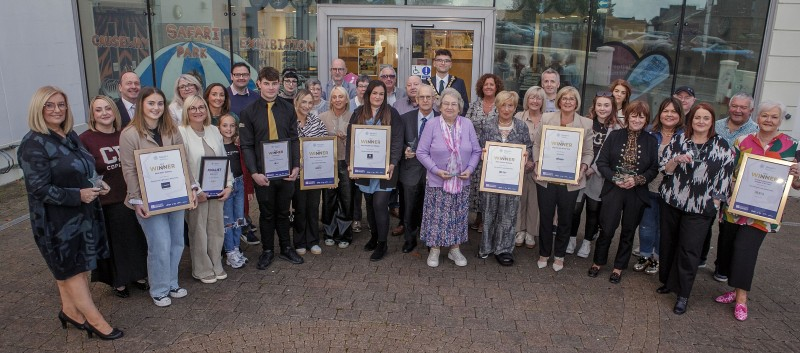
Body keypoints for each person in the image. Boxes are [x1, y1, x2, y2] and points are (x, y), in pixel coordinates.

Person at [18, 86, 122, 340]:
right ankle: (96, 322)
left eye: (61, 104)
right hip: (56, 221)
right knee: (72, 270)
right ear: (38, 109)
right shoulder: (32, 144)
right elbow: (39, 188)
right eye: (50, 105)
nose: (57, 110)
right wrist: (77, 195)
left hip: (83, 216)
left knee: (74, 268)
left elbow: (85, 169)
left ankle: (70, 312)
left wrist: (97, 182)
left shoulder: (69, 135)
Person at [715, 100, 799, 321]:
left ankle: (742, 299)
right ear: (757, 117)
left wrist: (798, 175)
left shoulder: (792, 146)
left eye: (773, 117)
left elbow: (797, 185)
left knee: (745, 249)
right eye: (764, 116)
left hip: (763, 212)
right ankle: (734, 290)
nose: (768, 120)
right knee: (731, 248)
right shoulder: (743, 141)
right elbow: (729, 171)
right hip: (736, 206)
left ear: (780, 120)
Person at [119, 86, 197, 307]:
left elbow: (183, 162)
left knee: (176, 242)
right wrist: (137, 200)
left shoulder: (171, 130)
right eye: (151, 103)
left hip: (175, 195)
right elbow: (129, 170)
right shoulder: (129, 134)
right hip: (148, 200)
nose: (156, 108)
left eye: (160, 103)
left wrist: (191, 186)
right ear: (141, 105)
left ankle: (172, 283)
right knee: (160, 244)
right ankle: (159, 289)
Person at [658, 103, 734, 315]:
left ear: (712, 122)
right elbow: (665, 169)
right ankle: (668, 282)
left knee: (689, 250)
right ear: (691, 120)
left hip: (700, 209)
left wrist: (716, 203)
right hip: (672, 202)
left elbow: (725, 179)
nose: (701, 121)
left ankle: (683, 294)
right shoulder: (680, 139)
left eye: (706, 118)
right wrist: (675, 159)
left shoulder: (723, 146)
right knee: (668, 244)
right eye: (697, 117)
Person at [79, 96, 148, 299]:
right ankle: (119, 281)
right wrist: (95, 185)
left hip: (131, 196)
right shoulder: (85, 139)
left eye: (108, 108)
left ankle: (138, 275)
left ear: (114, 111)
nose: (104, 113)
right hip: (107, 202)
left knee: (135, 240)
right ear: (92, 114)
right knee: (115, 244)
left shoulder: (125, 134)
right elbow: (83, 171)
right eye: (98, 110)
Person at [240, 67, 304, 270]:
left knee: (284, 212)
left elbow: (294, 139)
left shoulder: (287, 109)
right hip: (262, 174)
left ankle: (286, 247)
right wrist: (254, 173)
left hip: (286, 173)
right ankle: (268, 250)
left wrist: (295, 166)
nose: (270, 87)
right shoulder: (248, 112)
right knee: (267, 213)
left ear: (279, 84)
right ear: (258, 83)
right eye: (266, 83)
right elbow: (247, 146)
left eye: (274, 83)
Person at [588, 101, 659, 283]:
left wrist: (636, 179)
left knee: (628, 232)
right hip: (614, 189)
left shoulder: (651, 141)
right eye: (633, 115)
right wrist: (616, 178)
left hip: (636, 192)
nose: (637, 119)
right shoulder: (614, 136)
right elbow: (601, 162)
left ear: (646, 120)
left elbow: (653, 169)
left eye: (641, 116)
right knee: (607, 228)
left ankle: (619, 267)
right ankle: (598, 262)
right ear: (627, 117)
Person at [416, 87, 482, 267]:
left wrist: (470, 168)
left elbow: (477, 151)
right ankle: (435, 250)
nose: (450, 107)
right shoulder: (432, 124)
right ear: (440, 106)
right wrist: (436, 170)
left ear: (460, 107)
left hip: (461, 181)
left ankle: (454, 249)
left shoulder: (467, 124)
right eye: (446, 103)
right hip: (438, 181)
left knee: (458, 216)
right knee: (436, 217)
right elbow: (421, 152)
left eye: (454, 104)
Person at [532, 86, 593, 271]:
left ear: (577, 102)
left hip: (570, 181)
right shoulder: (547, 118)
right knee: (546, 217)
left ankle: (559, 255)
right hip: (546, 178)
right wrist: (536, 164)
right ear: (559, 100)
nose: (568, 101)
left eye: (571, 99)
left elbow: (589, 152)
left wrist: (582, 169)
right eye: (564, 98)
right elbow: (536, 144)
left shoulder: (586, 123)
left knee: (566, 219)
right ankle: (544, 253)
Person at [345, 80, 404, 261]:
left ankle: (382, 244)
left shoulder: (392, 113)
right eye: (374, 93)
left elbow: (397, 140)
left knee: (380, 204)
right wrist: (350, 163)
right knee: (369, 205)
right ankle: (374, 237)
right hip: (364, 169)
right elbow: (350, 141)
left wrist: (393, 162)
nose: (378, 97)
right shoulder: (357, 113)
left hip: (385, 170)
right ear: (368, 95)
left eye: (381, 94)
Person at [178, 95, 233, 284]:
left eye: (201, 107)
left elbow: (224, 159)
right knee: (198, 231)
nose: (198, 111)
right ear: (186, 111)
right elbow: (183, 164)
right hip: (196, 193)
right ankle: (201, 268)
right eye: (192, 108)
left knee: (216, 229)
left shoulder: (213, 131)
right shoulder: (181, 132)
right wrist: (195, 189)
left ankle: (216, 263)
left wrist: (229, 185)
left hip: (217, 191)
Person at [479, 91, 532, 266]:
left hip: (511, 179)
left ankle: (504, 250)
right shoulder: (488, 125)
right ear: (497, 106)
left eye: (510, 105)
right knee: (489, 212)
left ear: (515, 108)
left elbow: (528, 147)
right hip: (491, 178)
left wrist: (526, 156)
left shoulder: (522, 126)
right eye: (503, 105)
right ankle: (486, 247)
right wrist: (483, 155)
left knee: (508, 214)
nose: (507, 109)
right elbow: (480, 147)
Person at [708, 92, 758, 279]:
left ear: (751, 110)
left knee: (728, 230)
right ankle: (700, 257)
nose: (737, 110)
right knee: (704, 222)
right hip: (710, 185)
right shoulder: (716, 125)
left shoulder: (756, 132)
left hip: (736, 188)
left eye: (743, 107)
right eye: (734, 106)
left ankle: (722, 267)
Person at [633, 97, 684, 275]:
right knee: (646, 224)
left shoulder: (685, 136)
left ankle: (657, 257)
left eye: (673, 112)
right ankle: (645, 254)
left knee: (664, 227)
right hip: (648, 187)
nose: (669, 115)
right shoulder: (649, 132)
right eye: (665, 111)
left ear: (680, 115)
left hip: (671, 191)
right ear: (660, 113)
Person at [568, 91, 620, 258]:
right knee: (575, 209)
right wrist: (583, 167)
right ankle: (571, 239)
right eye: (599, 105)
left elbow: (613, 154)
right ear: (594, 105)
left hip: (599, 176)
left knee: (593, 210)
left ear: (613, 107)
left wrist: (594, 168)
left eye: (606, 105)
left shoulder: (617, 129)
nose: (602, 108)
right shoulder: (586, 122)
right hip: (580, 172)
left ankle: (587, 242)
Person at [207, 82, 258, 245]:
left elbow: (243, 161)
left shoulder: (232, 118)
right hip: (214, 178)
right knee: (221, 216)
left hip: (237, 180)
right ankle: (225, 247)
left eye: (221, 94)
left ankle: (233, 245)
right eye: (214, 94)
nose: (218, 98)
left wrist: (249, 187)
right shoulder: (203, 118)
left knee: (237, 214)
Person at [397, 85, 438, 254]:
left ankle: (430, 240)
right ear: (416, 99)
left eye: (428, 97)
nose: (425, 100)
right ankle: (410, 239)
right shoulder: (405, 118)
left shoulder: (442, 119)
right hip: (410, 170)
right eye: (422, 97)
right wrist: (403, 150)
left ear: (434, 100)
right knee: (409, 207)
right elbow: (397, 142)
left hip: (434, 172)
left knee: (431, 207)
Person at [292, 89, 328, 255]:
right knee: (300, 208)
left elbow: (325, 144)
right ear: (296, 102)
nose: (306, 106)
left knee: (313, 207)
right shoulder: (288, 122)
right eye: (303, 102)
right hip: (297, 174)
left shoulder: (317, 121)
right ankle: (299, 241)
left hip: (315, 173)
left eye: (309, 102)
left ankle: (313, 241)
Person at [466, 73, 502, 233]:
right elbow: (466, 125)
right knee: (475, 186)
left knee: (489, 186)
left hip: (494, 153)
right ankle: (477, 217)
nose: (488, 87)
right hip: (475, 152)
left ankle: (486, 220)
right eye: (486, 84)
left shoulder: (502, 105)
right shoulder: (474, 106)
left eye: (491, 84)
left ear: (497, 87)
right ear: (481, 87)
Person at [320, 86, 355, 248]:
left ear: (347, 99)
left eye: (341, 97)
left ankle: (345, 234)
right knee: (328, 198)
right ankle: (329, 231)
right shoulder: (322, 117)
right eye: (334, 97)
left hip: (346, 163)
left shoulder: (354, 117)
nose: (338, 100)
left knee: (346, 198)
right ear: (330, 100)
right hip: (328, 163)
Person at [218, 113, 252, 269]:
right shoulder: (217, 147)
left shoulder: (238, 145)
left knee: (239, 219)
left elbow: (245, 168)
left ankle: (237, 249)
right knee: (228, 221)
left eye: (232, 125)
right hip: (225, 188)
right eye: (225, 125)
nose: (228, 128)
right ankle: (229, 252)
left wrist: (248, 189)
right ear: (219, 127)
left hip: (239, 185)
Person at [514, 86, 545, 249]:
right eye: (532, 97)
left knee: (535, 200)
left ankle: (531, 232)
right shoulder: (518, 116)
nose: (535, 101)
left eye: (539, 98)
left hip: (539, 167)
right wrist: (525, 161)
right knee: (520, 199)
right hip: (521, 165)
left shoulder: (547, 118)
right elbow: (515, 140)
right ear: (527, 99)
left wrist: (536, 162)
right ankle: (519, 230)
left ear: (543, 101)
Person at [427, 49, 469, 115]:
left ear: (450, 64)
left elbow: (464, 106)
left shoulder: (459, 83)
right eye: (439, 60)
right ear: (434, 63)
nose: (443, 63)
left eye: (446, 61)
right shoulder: (426, 83)